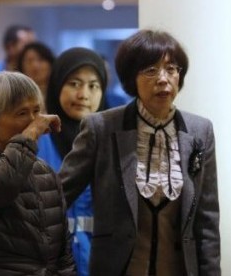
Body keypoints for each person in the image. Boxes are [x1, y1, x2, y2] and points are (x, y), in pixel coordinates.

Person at [59, 29, 220, 275]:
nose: (163, 79)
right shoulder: (101, 128)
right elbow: (60, 196)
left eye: (171, 68)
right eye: (151, 70)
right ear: (131, 78)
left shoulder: (200, 131)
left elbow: (207, 222)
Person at [0, 71, 75, 275]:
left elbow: (63, 254)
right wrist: (30, 135)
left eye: (37, 111)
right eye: (22, 113)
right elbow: (5, 183)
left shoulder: (45, 171)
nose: (34, 121)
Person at [37, 47, 107, 276]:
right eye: (74, 84)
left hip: (99, 264)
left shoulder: (112, 144)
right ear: (57, 85)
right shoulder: (36, 142)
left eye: (93, 85)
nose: (83, 94)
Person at [17, 41, 55, 109]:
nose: (35, 66)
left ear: (50, 63)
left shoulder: (60, 93)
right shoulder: (15, 96)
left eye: (40, 60)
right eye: (29, 61)